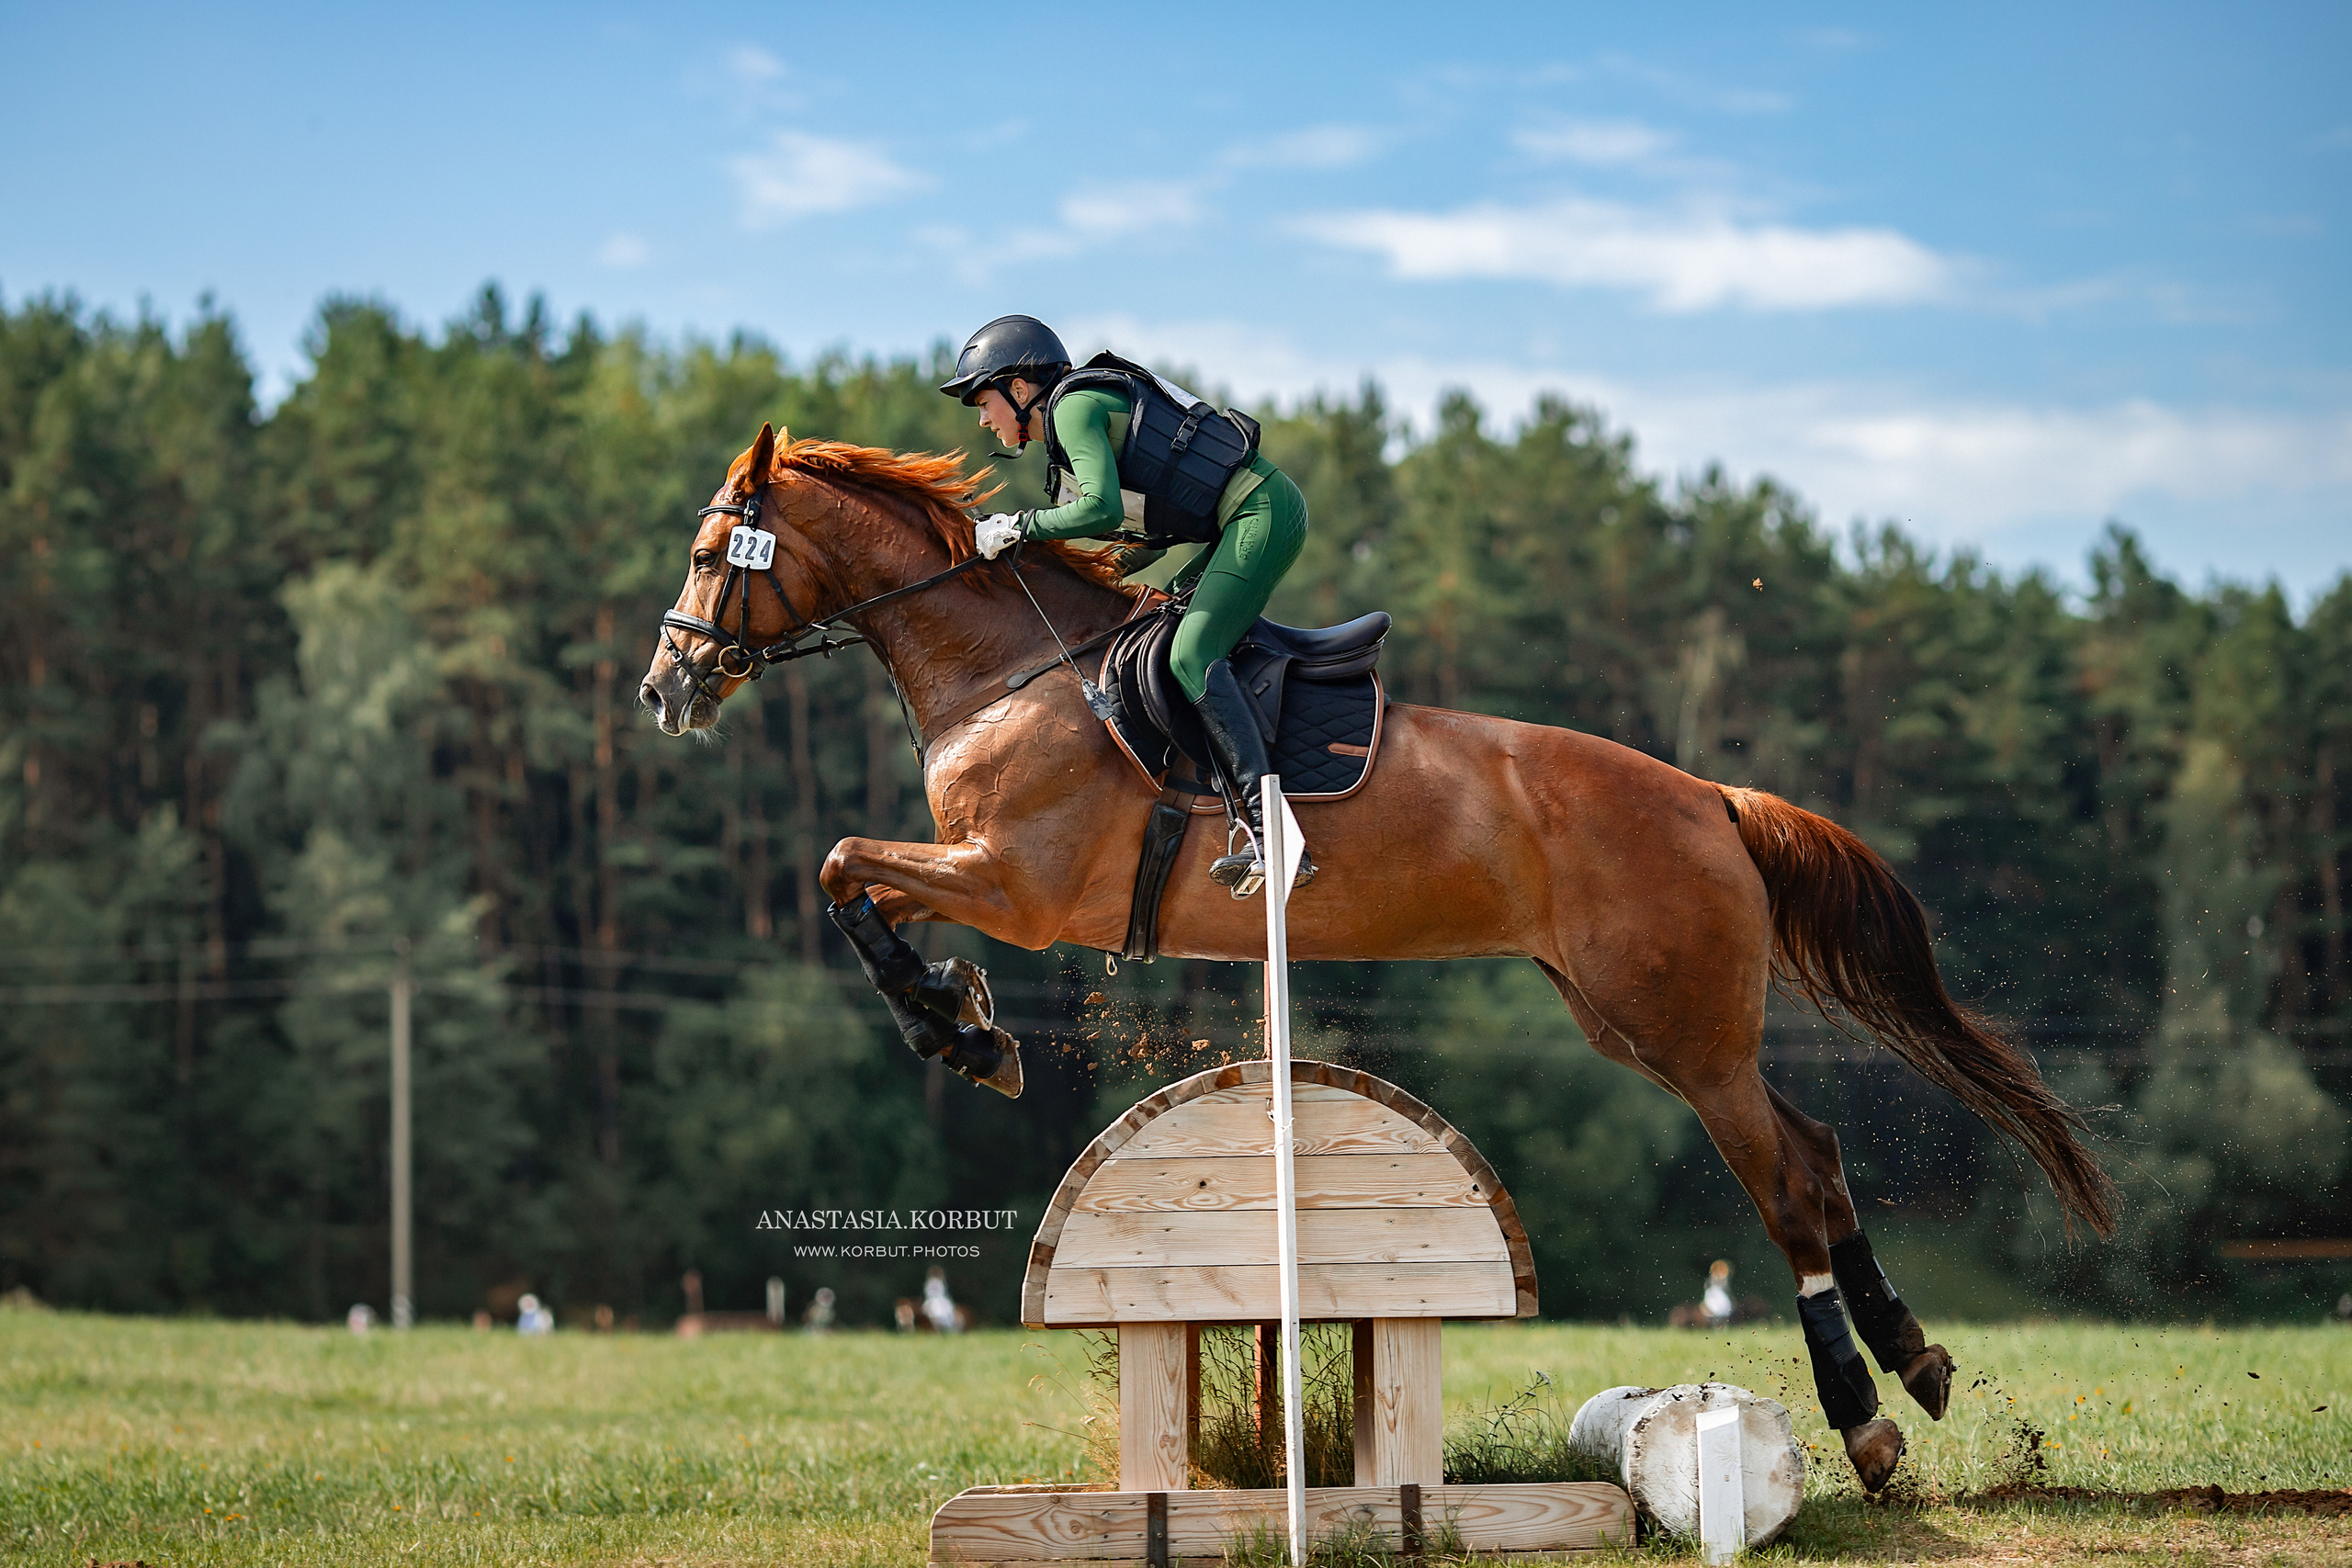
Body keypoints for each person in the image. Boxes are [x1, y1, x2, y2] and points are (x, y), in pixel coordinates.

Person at [942, 315, 1313, 897]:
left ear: (1019, 388)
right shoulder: (1072, 416)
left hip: (1260, 511)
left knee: (1192, 654)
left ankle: (1275, 831)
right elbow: (1130, 543)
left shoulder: (1072, 408)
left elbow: (1101, 510)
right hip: (1238, 521)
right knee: (1162, 627)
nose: (983, 419)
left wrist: (1020, 527)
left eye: (982, 402)